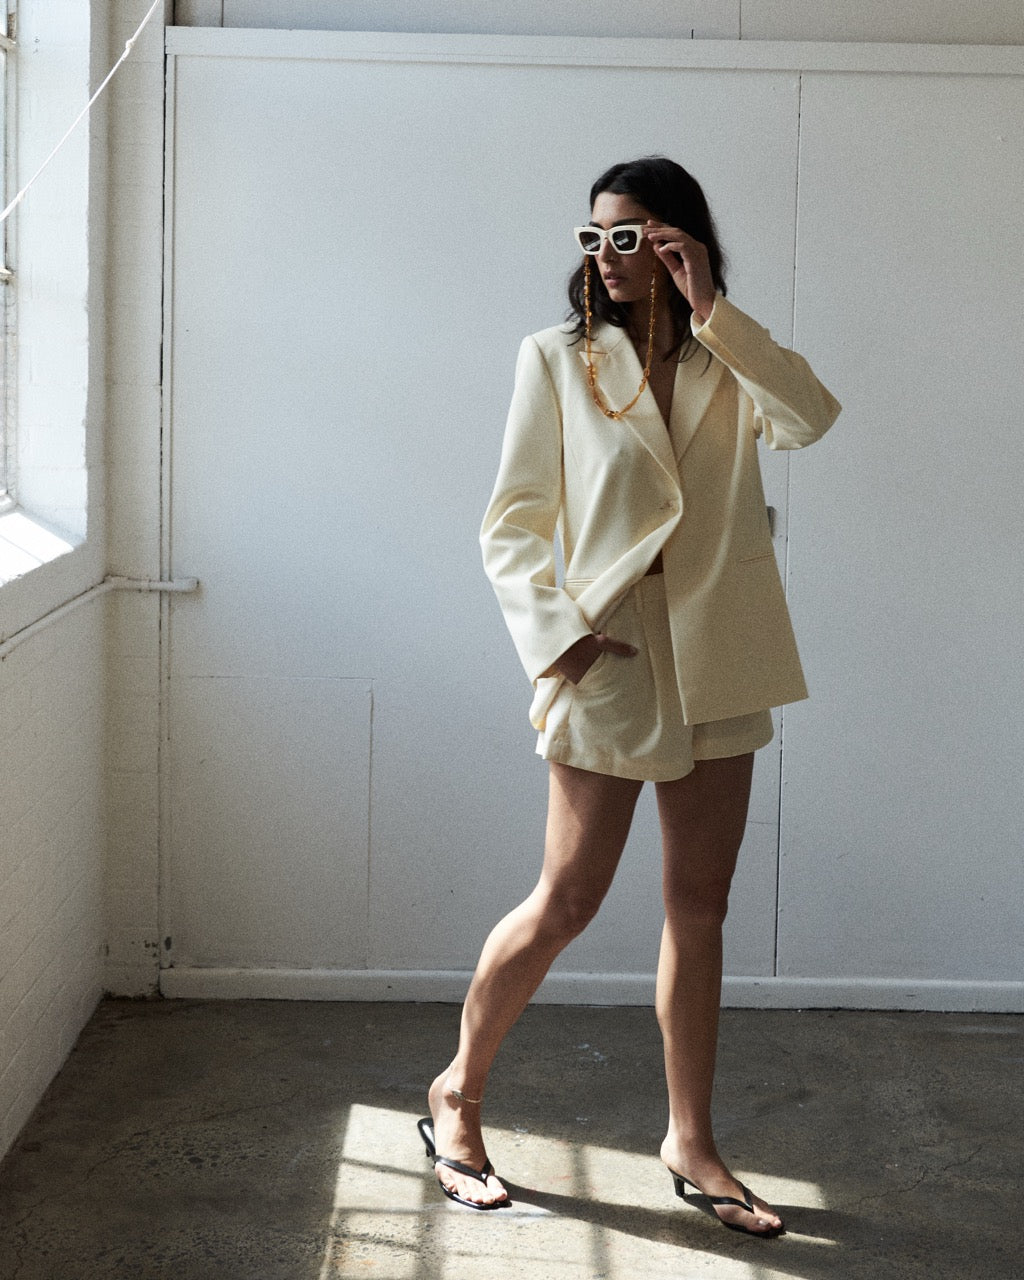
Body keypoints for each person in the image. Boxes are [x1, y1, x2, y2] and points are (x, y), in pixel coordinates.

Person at [418, 156, 840, 1237]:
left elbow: (808, 419)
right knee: (566, 898)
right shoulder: (555, 360)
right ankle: (455, 1095)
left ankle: (690, 1141)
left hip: (722, 651)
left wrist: (713, 309)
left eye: (632, 236)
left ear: (677, 242)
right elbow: (512, 520)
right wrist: (558, 641)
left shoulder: (726, 357)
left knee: (700, 908)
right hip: (608, 651)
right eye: (593, 236)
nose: (607, 257)